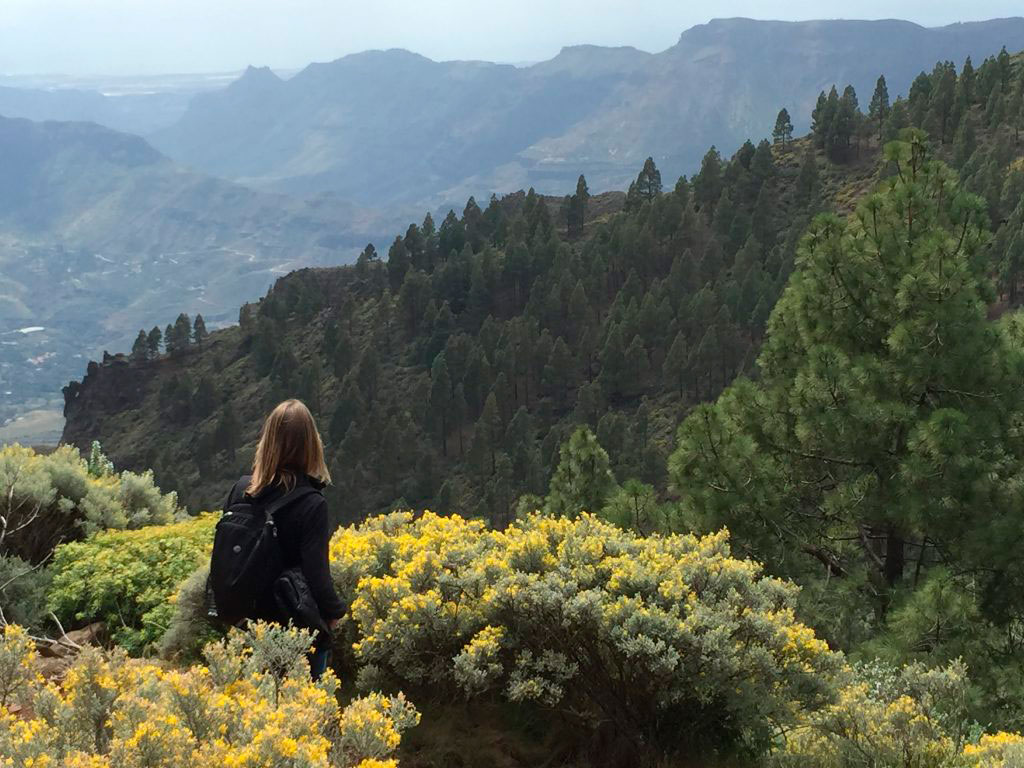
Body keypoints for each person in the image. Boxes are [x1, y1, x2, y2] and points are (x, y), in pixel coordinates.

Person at [222, 399, 345, 679]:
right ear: (311, 444)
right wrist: (336, 612)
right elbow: (317, 575)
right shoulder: (311, 502)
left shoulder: (241, 489)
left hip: (246, 625)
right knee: (304, 710)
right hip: (293, 626)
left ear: (267, 441)